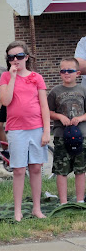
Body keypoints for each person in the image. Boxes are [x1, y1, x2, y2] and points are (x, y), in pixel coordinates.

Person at [0, 40, 50, 221]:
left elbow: (44, 106)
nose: (15, 60)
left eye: (19, 56)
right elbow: (5, 101)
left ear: (26, 57)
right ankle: (18, 210)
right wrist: (13, 77)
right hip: (16, 129)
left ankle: (37, 208)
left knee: (36, 168)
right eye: (11, 57)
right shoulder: (5, 76)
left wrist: (46, 131)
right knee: (19, 170)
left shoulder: (37, 77)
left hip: (36, 127)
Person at [48, 57, 86, 205]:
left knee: (80, 169)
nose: (66, 73)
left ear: (77, 73)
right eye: (63, 71)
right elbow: (47, 111)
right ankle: (63, 201)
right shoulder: (55, 91)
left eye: (69, 71)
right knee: (61, 170)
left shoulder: (82, 90)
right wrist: (59, 116)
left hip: (81, 135)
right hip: (61, 135)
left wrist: (81, 118)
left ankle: (80, 199)